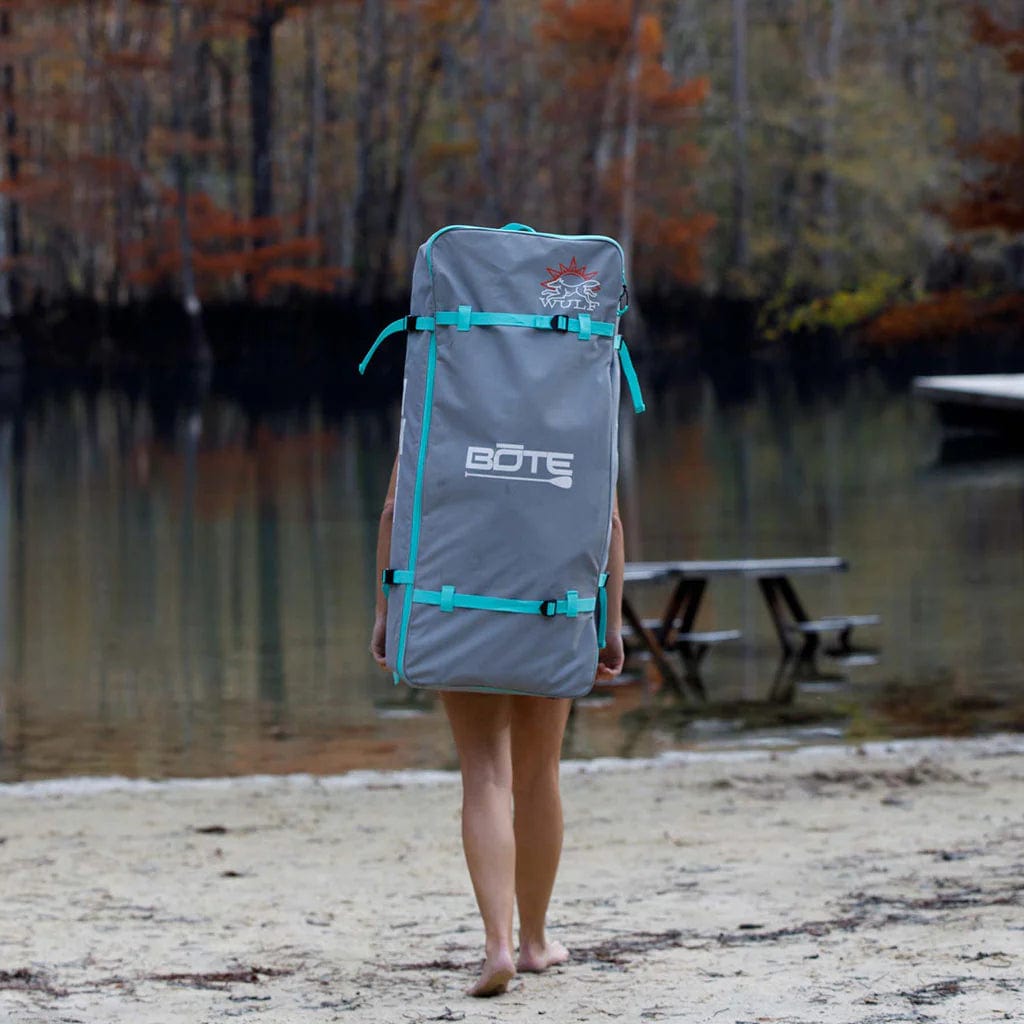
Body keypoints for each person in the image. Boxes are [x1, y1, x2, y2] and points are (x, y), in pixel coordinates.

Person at [370, 455, 625, 996]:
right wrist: (611, 626)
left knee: (485, 772)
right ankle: (534, 942)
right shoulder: (578, 407)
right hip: (552, 606)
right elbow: (609, 522)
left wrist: (386, 612)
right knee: (539, 774)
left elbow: (395, 511)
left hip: (458, 605)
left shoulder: (443, 405)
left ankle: (497, 947)